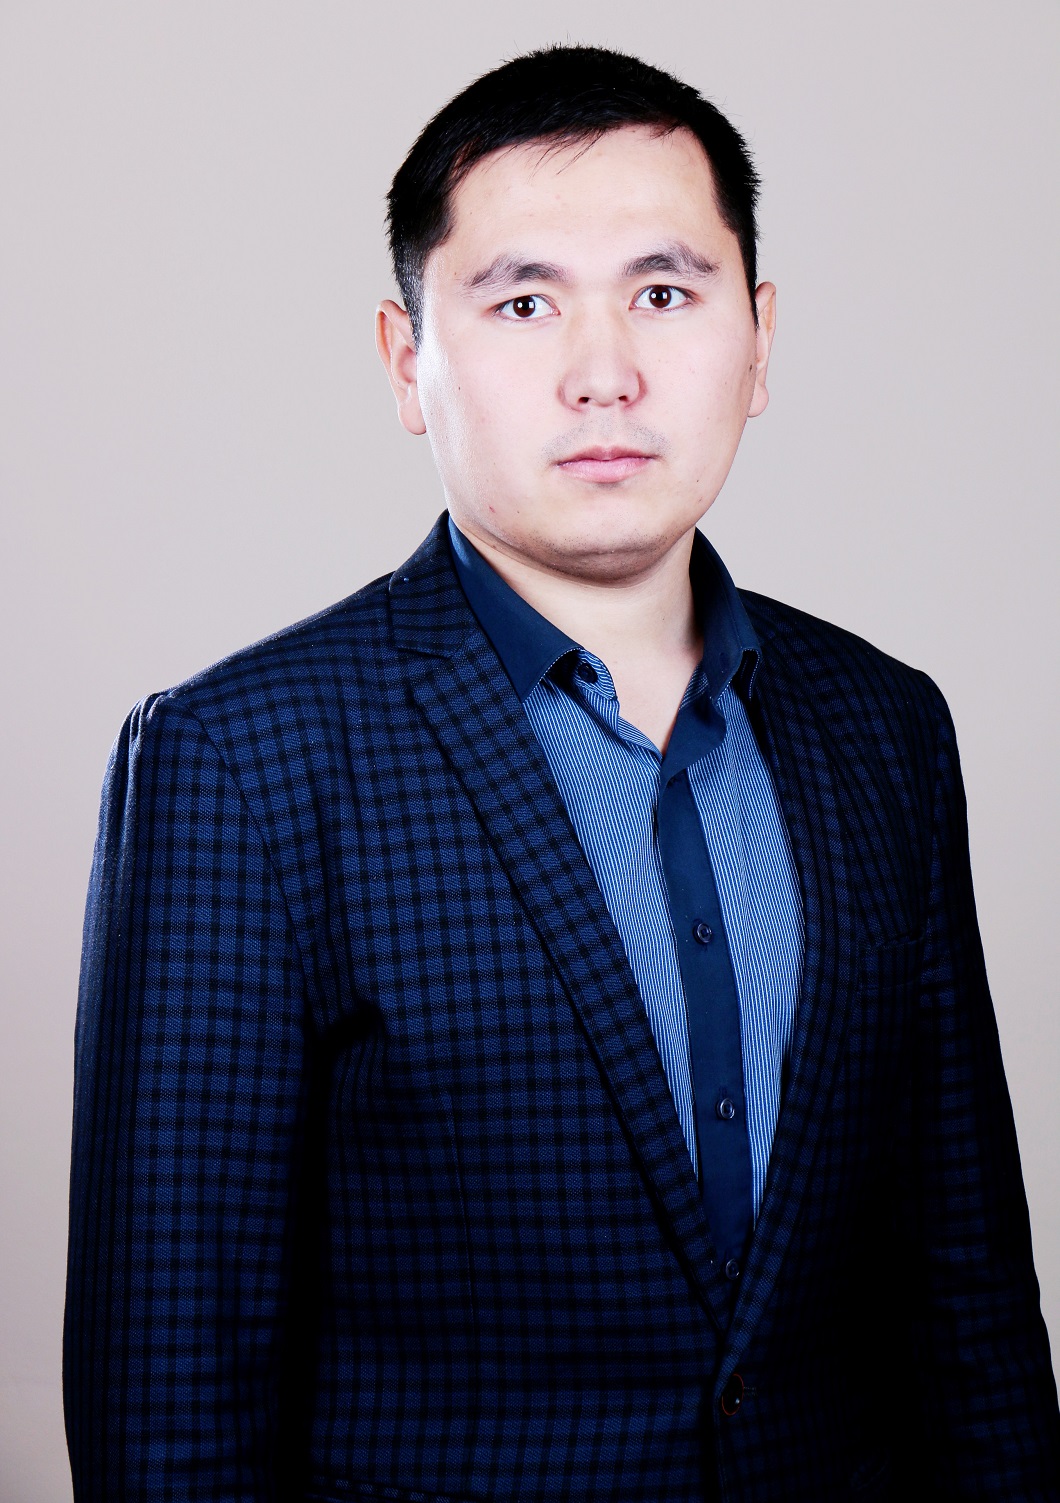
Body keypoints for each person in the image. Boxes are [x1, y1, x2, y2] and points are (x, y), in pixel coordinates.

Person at [64, 44, 1059, 1502]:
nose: (606, 375)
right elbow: (170, 1398)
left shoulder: (884, 726)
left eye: (665, 294)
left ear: (759, 342)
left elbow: (969, 1298)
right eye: (524, 303)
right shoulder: (239, 761)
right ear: (409, 361)